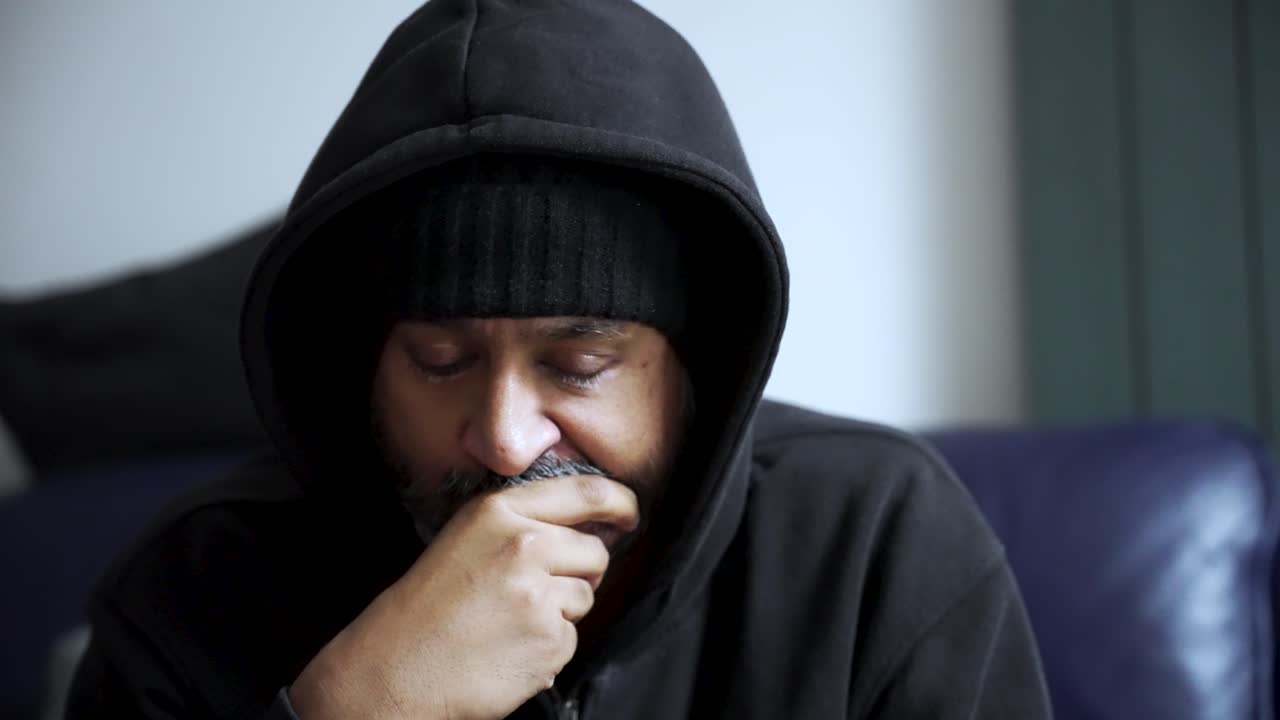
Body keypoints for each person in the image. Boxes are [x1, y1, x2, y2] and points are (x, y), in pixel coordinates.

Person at [66, 0, 1053, 717]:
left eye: (578, 367)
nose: (502, 442)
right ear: (367, 364)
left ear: (690, 371)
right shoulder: (191, 593)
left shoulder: (876, 543)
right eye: (441, 360)